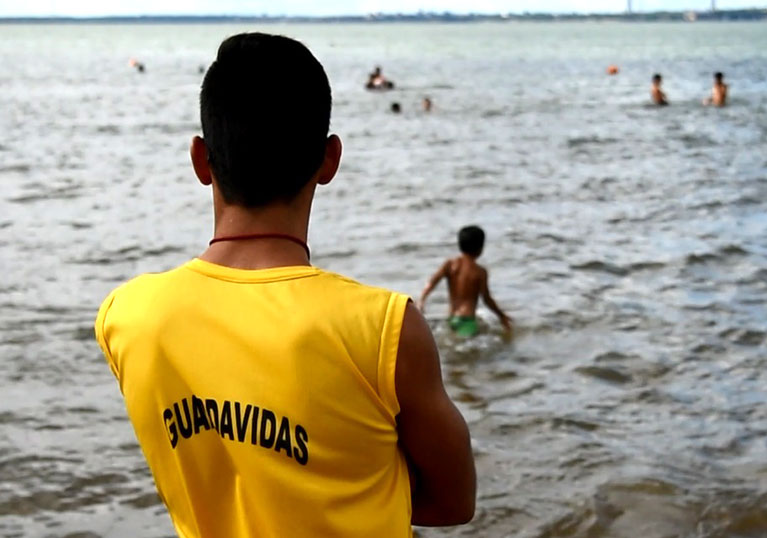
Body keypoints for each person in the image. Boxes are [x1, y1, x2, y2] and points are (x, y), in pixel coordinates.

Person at [94, 33, 475, 537]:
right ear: (329, 160)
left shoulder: (127, 316)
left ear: (201, 160)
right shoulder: (383, 329)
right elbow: (452, 502)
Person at [419, 226, 512, 337]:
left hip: (452, 318)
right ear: (480, 248)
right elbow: (487, 299)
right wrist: (501, 315)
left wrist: (422, 300)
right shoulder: (480, 271)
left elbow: (432, 282)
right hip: (468, 320)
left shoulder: (450, 264)